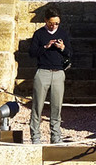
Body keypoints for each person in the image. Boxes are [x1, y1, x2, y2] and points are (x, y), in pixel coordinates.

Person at [28, 10, 69, 146]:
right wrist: (46, 46)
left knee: (57, 106)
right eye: (51, 23)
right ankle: (35, 136)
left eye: (56, 23)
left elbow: (71, 53)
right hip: (43, 72)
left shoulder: (62, 33)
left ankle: (56, 136)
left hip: (58, 73)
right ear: (46, 20)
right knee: (37, 106)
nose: (54, 26)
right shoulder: (39, 34)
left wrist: (62, 48)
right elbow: (32, 53)